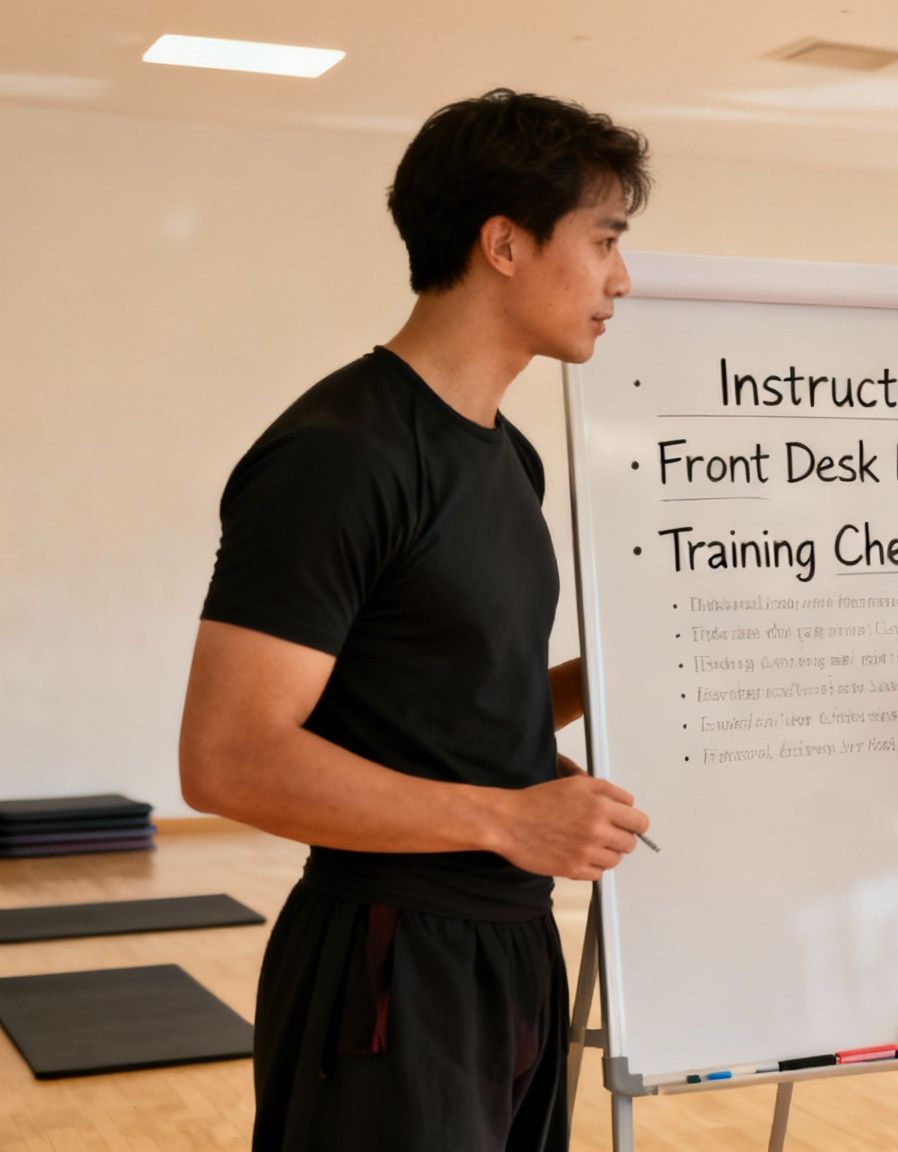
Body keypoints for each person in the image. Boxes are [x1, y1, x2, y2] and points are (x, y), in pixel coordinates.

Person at [178, 89, 654, 1152]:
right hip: (386, 959)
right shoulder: (343, 455)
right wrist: (505, 819)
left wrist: (613, 677)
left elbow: (453, 706)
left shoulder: (505, 456)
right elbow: (226, 759)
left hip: (508, 942)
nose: (621, 279)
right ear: (503, 243)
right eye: (604, 240)